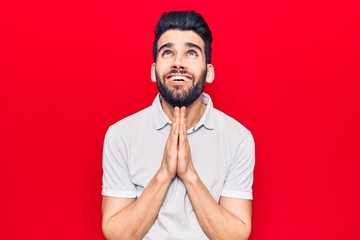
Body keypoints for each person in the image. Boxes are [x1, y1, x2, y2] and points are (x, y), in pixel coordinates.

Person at [101, 10, 255, 240]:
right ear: (154, 71)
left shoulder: (239, 138)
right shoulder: (120, 136)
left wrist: (188, 173)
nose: (178, 63)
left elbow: (234, 236)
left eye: (191, 53)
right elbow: (117, 234)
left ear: (209, 72)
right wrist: (164, 173)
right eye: (168, 53)